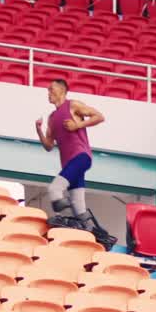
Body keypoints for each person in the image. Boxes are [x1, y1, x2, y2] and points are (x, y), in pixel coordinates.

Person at [35, 78, 111, 241]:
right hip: (69, 162)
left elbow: (99, 116)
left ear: (62, 91)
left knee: (54, 189)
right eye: (48, 90)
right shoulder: (52, 118)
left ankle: (64, 214)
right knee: (78, 205)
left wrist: (78, 126)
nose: (48, 93)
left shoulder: (73, 105)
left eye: (51, 89)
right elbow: (49, 146)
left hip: (81, 156)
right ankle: (95, 235)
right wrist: (39, 130)